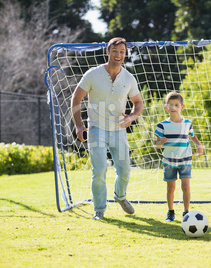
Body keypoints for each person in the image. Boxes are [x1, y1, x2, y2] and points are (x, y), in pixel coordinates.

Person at [71, 37, 144, 220]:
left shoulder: (128, 78)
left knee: (125, 170)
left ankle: (120, 196)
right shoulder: (92, 74)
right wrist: (79, 125)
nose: (119, 55)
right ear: (108, 52)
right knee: (100, 169)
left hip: (118, 131)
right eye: (115, 51)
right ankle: (99, 209)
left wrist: (132, 117)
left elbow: (138, 103)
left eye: (122, 52)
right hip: (96, 130)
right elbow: (76, 99)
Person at [154, 92, 203, 222]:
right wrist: (161, 142)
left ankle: (186, 212)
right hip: (169, 161)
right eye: (170, 105)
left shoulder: (187, 123)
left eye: (176, 105)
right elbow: (157, 146)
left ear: (182, 107)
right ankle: (170, 212)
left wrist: (199, 145)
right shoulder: (162, 125)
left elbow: (192, 136)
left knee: (186, 186)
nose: (173, 107)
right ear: (166, 107)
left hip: (185, 159)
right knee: (171, 188)